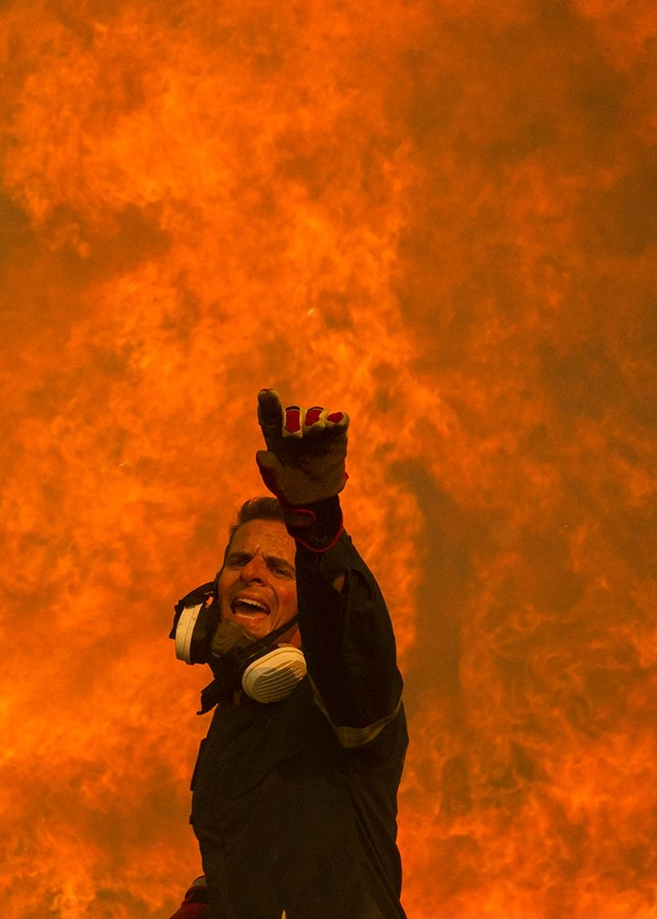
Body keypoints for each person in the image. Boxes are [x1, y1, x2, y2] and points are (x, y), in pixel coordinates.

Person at [168, 390, 408, 918]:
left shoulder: (345, 706)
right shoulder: (233, 723)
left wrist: (317, 523)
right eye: (239, 561)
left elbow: (351, 637)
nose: (252, 571)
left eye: (279, 568)